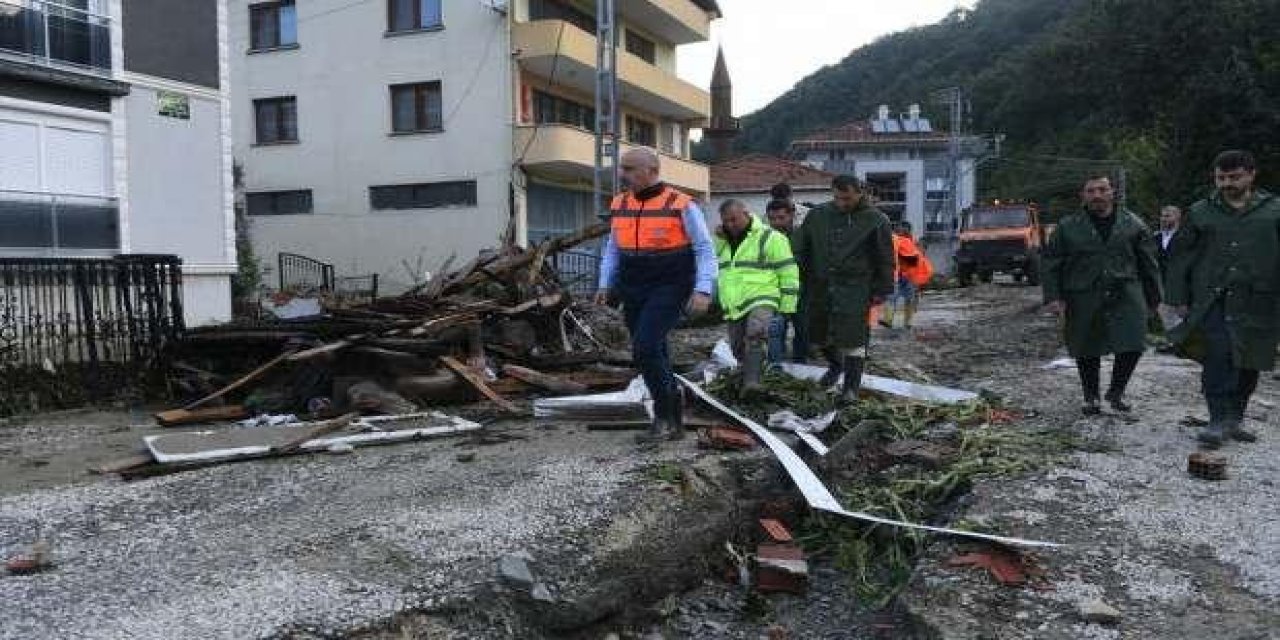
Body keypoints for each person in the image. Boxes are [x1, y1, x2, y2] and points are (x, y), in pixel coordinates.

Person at [596, 148, 717, 443]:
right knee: (655, 350)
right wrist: (604, 283)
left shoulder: (681, 203)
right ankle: (674, 421)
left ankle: (663, 418)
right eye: (621, 168)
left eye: (629, 168)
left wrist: (703, 289)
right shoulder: (620, 203)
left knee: (645, 347)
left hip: (670, 284)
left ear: (651, 171)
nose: (622, 174)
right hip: (633, 284)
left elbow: (704, 248)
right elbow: (613, 248)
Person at [1166, 150, 1279, 447]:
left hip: (1259, 300)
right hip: (1212, 299)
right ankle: (1217, 419)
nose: (1227, 183)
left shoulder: (1274, 210)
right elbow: (1180, 256)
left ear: (1251, 174)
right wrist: (1178, 296)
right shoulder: (1201, 211)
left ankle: (1235, 418)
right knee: (1218, 356)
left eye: (1234, 177)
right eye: (1221, 178)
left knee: (1251, 359)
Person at [1042, 174, 1162, 415]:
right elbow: (1051, 263)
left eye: (1102, 189)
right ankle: (1091, 397)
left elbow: (1148, 263)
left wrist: (1155, 298)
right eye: (1091, 191)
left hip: (1126, 291)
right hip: (1083, 293)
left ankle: (1116, 392)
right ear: (1083, 195)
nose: (1097, 195)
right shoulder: (1068, 226)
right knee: (1086, 345)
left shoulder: (1133, 224)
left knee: (1133, 342)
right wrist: (1054, 297)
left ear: (1112, 193)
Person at [793, 175, 896, 402]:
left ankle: (850, 388)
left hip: (856, 289)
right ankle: (836, 365)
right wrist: (799, 273)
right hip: (820, 286)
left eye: (847, 198)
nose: (842, 203)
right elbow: (801, 246)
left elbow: (885, 258)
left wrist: (882, 291)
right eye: (837, 198)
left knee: (854, 338)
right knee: (816, 334)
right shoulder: (818, 215)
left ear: (860, 193)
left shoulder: (876, 220)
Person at [714, 200, 800, 392]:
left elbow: (788, 272)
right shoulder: (723, 241)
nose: (730, 224)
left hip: (763, 297)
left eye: (734, 219)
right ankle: (748, 377)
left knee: (756, 335)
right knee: (737, 346)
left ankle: (752, 382)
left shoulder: (771, 237)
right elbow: (715, 262)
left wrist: (787, 306)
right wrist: (719, 238)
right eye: (726, 221)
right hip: (735, 303)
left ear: (746, 214)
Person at [764, 198, 809, 363]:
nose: (776, 222)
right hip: (775, 292)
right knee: (776, 331)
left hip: (802, 292)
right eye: (772, 218)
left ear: (791, 215)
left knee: (803, 331)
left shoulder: (803, 235)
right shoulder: (764, 238)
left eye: (781, 217)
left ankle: (800, 364)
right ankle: (776, 365)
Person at [881, 222, 933, 330]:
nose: (900, 231)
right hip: (897, 275)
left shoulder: (913, 243)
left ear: (908, 230)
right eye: (898, 230)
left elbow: (917, 260)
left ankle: (908, 322)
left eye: (902, 229)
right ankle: (888, 320)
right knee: (891, 297)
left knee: (909, 298)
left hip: (909, 276)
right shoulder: (895, 242)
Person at [1155, 205, 1183, 276]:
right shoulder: (1154, 237)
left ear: (1177, 218)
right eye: (1162, 216)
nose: (1163, 219)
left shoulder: (1184, 237)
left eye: (1167, 216)